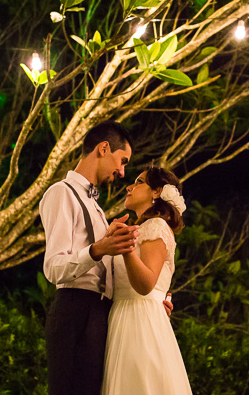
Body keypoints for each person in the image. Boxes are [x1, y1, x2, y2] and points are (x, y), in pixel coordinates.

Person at [40, 121, 142, 395]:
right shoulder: (61, 193)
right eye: (122, 162)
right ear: (103, 148)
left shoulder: (96, 207)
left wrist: (150, 300)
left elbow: (107, 272)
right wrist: (97, 249)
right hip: (74, 309)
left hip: (99, 313)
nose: (122, 172)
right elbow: (53, 267)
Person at [103, 165, 192, 394]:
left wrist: (126, 248)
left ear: (156, 192)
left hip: (139, 319)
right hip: (122, 314)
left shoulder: (156, 226)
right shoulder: (138, 228)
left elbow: (146, 284)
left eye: (139, 182)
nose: (129, 187)